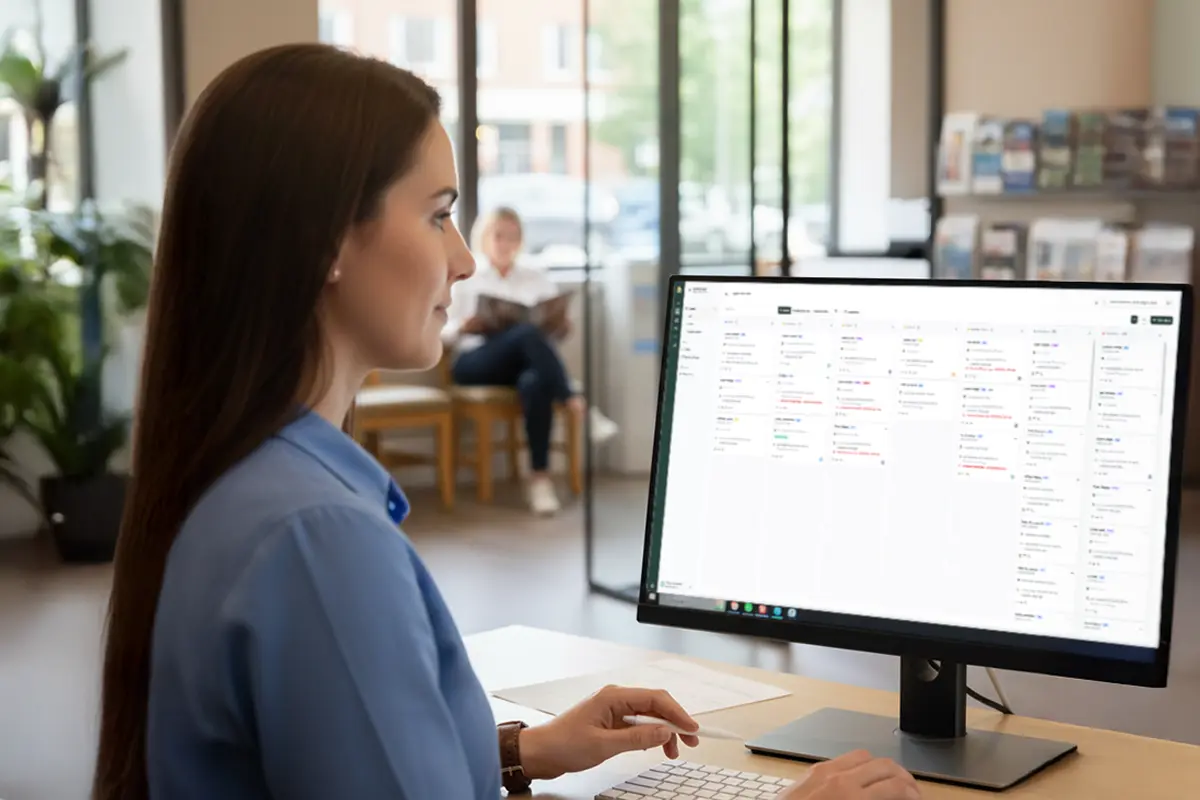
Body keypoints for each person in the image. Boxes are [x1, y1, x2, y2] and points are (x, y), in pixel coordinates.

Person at [90, 44, 920, 800]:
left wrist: (522, 751)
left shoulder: (243, 484)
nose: (463, 257)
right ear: (325, 243)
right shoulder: (318, 542)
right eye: (438, 213)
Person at [443, 206, 618, 515]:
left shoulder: (535, 278)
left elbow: (548, 334)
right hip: (475, 362)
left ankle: (540, 481)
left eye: (512, 236)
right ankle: (577, 402)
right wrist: (463, 326)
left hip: (521, 366)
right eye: (498, 235)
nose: (505, 243)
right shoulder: (467, 278)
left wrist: (561, 326)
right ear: (484, 238)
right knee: (525, 333)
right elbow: (442, 335)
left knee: (535, 381)